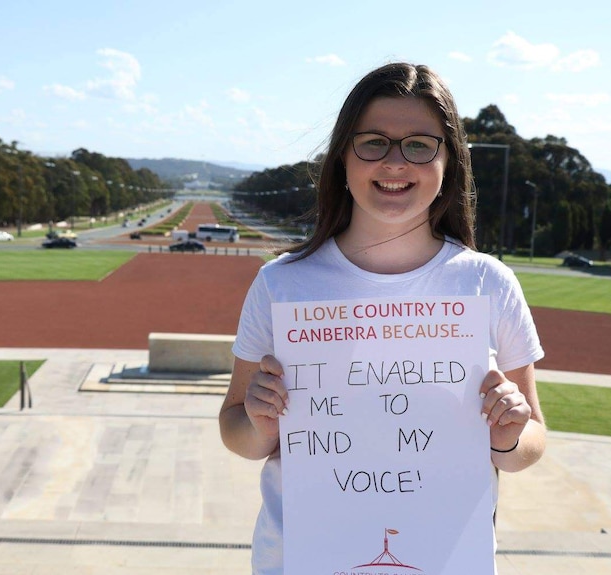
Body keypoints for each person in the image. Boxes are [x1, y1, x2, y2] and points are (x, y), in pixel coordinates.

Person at [218, 62, 546, 574]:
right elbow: (235, 429)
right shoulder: (281, 284)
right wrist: (261, 424)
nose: (395, 162)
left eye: (419, 144)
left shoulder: (488, 284)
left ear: (449, 162)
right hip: (299, 558)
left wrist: (509, 431)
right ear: (343, 158)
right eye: (373, 142)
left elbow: (528, 445)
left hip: (444, 557)